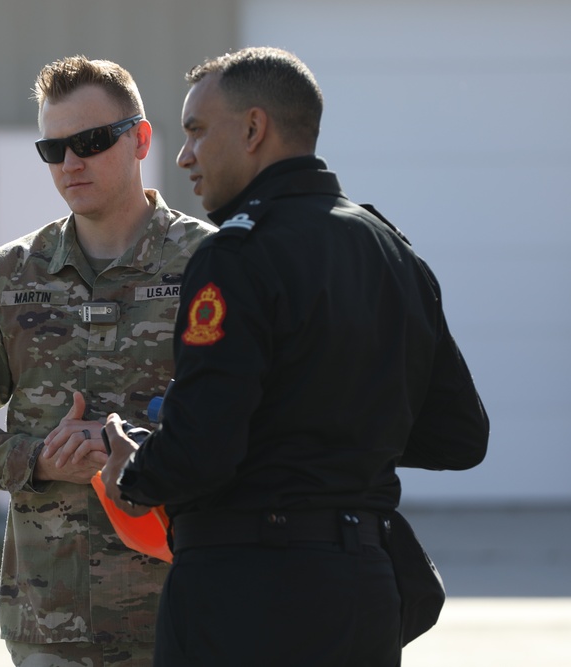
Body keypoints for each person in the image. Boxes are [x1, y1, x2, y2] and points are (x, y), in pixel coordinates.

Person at [100, 47, 490, 666]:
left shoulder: (235, 254)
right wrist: (334, 431)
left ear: (254, 130)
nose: (184, 156)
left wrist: (134, 469)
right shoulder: (392, 251)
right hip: (363, 591)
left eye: (197, 131)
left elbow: (202, 450)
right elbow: (460, 436)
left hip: (247, 597)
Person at [0, 56, 215, 666]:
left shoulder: (209, 264)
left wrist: (139, 455)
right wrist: (37, 459)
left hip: (188, 611)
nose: (71, 163)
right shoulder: (8, 278)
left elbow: (263, 416)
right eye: (53, 149)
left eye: (91, 141)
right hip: (53, 624)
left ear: (141, 140)